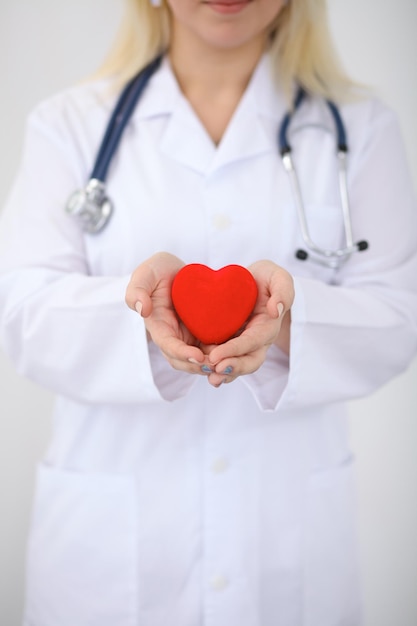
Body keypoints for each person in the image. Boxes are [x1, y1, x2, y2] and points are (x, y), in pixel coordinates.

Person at [0, 0, 416, 624]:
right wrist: (147, 316)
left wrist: (281, 322)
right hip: (109, 559)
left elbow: (397, 317)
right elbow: (21, 311)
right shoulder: (70, 123)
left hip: (288, 548)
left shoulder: (359, 128)